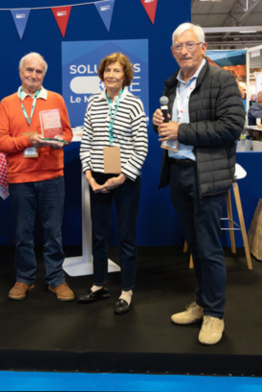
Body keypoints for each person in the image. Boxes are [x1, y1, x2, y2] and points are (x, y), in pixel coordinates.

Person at [152, 23, 245, 345]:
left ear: (203, 47)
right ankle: (202, 304)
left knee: (209, 249)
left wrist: (181, 131)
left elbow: (232, 127)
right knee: (195, 246)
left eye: (190, 45)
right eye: (178, 46)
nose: (184, 51)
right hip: (178, 172)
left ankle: (215, 315)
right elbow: (172, 129)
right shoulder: (172, 84)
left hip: (207, 175)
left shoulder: (222, 80)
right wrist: (160, 126)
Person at [0, 52, 74, 302]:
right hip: (21, 178)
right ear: (20, 72)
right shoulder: (7, 103)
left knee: (53, 231)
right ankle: (24, 278)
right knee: (23, 232)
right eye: (29, 70)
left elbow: (68, 133)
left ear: (43, 75)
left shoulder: (56, 99)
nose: (34, 75)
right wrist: (27, 139)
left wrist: (61, 141)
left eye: (39, 72)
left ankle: (56, 279)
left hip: (52, 176)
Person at [78, 53, 148, 315]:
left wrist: (122, 176)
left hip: (125, 179)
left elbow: (142, 147)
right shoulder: (93, 103)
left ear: (125, 75)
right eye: (108, 71)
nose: (111, 75)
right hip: (96, 177)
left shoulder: (134, 104)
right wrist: (88, 174)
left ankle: (127, 290)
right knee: (99, 234)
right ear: (102, 74)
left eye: (117, 71)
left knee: (127, 236)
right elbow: (86, 143)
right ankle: (99, 284)